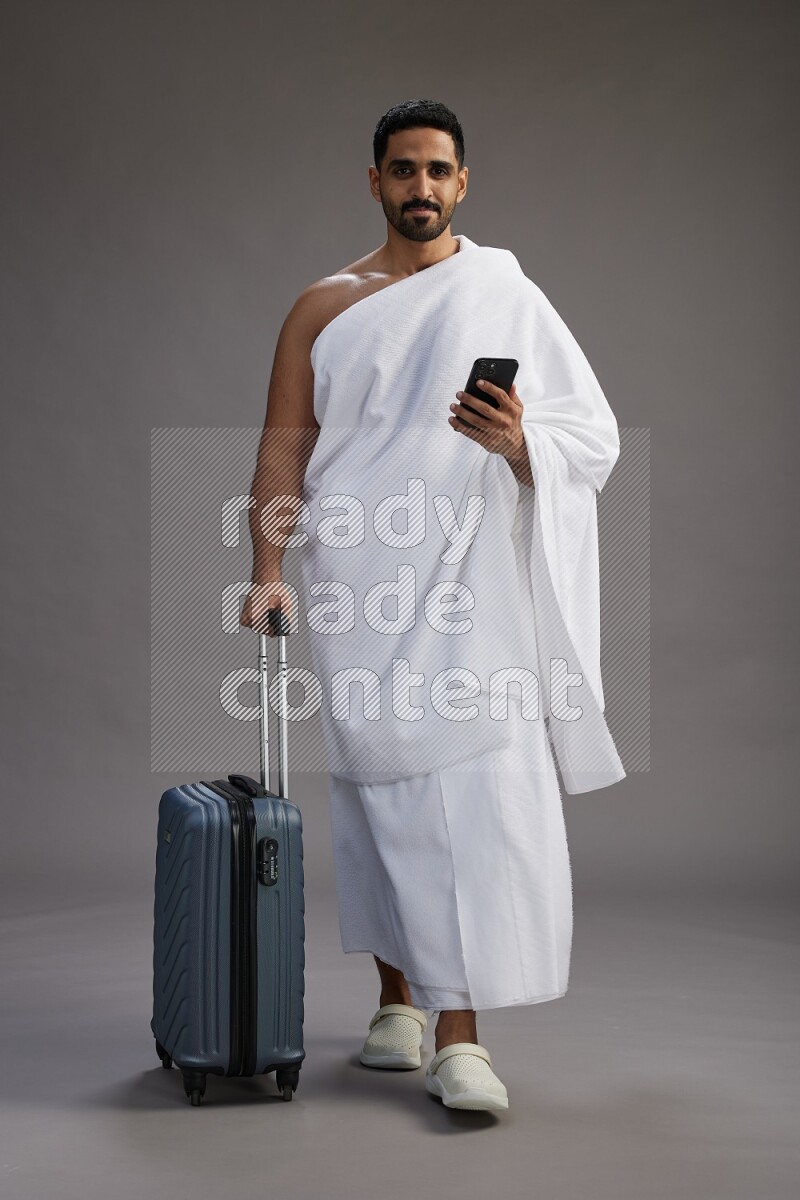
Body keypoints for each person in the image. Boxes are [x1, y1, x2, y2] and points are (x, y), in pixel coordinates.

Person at [240, 99, 626, 1114]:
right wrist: (267, 567)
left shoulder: (503, 292)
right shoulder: (323, 305)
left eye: (437, 171)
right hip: (357, 575)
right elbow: (285, 446)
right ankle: (396, 1001)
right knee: (376, 790)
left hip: (471, 580)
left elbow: (588, 433)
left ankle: (462, 1034)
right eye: (402, 170)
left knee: (471, 794)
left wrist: (516, 444)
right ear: (373, 181)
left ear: (462, 184)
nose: (420, 187)